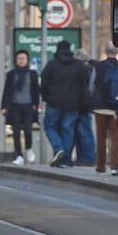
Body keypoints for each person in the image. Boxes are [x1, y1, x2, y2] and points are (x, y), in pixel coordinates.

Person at [40, 40, 86, 168]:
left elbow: (43, 84)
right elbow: (84, 85)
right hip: (73, 104)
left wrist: (46, 97)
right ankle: (65, 160)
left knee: (49, 126)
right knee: (68, 130)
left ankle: (58, 148)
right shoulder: (78, 65)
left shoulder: (51, 65)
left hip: (53, 102)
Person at [1, 49, 40, 166]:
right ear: (16, 60)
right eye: (19, 59)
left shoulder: (32, 74)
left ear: (27, 60)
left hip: (28, 105)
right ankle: (19, 155)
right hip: (14, 106)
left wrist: (36, 104)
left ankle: (28, 148)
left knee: (28, 130)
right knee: (16, 131)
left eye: (23, 58)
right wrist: (4, 106)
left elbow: (36, 91)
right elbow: (7, 91)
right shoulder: (11, 74)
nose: (21, 61)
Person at [92, 41, 118, 176]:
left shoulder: (98, 66)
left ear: (105, 51)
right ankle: (114, 166)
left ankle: (100, 166)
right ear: (117, 53)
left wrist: (94, 100)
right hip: (116, 108)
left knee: (101, 136)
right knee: (115, 137)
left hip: (100, 107)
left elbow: (91, 86)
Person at [71, 48, 96, 166]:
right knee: (84, 132)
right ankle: (85, 157)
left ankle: (86, 157)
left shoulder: (84, 69)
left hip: (80, 104)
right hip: (87, 104)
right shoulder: (91, 68)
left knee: (82, 133)